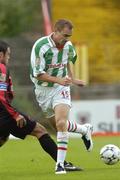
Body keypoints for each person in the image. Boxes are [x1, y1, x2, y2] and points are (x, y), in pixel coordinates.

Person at [0, 40, 83, 174]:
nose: (9, 57)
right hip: (4, 113)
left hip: (3, 113)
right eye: (8, 54)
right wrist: (15, 114)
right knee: (40, 131)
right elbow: (1, 97)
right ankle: (62, 163)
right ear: (0, 55)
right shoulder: (1, 68)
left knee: (3, 138)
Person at [30, 19, 93, 174]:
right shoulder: (41, 46)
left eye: (69, 36)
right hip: (42, 90)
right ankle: (84, 130)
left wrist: (71, 79)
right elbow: (38, 74)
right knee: (57, 126)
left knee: (60, 123)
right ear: (55, 31)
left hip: (60, 88)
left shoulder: (68, 46)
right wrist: (59, 79)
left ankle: (60, 165)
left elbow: (68, 61)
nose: (67, 39)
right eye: (65, 35)